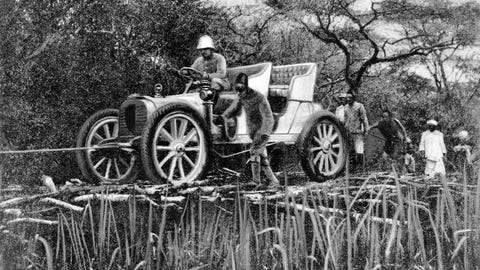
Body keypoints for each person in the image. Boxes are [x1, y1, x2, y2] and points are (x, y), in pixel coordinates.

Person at [222, 73, 279, 187]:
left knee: (253, 152)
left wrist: (264, 133)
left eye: (240, 89)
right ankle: (274, 181)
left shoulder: (259, 97)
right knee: (261, 157)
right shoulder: (241, 96)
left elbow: (269, 117)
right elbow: (232, 109)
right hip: (253, 132)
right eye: (236, 89)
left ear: (246, 87)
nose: (238, 92)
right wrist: (223, 116)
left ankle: (256, 181)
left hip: (262, 131)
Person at [368, 109, 406, 175]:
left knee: (396, 156)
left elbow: (402, 129)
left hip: (397, 140)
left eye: (386, 117)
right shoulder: (382, 123)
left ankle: (401, 172)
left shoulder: (395, 121)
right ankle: (390, 170)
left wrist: (405, 137)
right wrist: (370, 127)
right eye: (383, 117)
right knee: (385, 156)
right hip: (389, 141)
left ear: (390, 116)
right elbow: (376, 125)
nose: (385, 118)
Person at [344, 92, 369, 171]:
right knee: (350, 151)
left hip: (357, 132)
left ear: (353, 98)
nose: (348, 99)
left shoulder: (359, 106)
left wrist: (366, 129)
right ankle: (353, 169)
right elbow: (345, 119)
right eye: (347, 97)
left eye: (350, 97)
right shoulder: (346, 107)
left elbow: (364, 118)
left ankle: (361, 168)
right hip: (348, 132)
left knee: (359, 150)